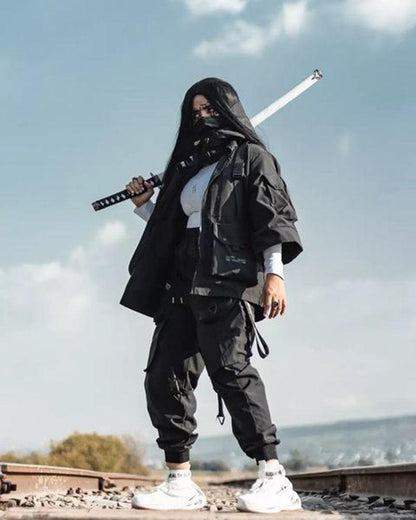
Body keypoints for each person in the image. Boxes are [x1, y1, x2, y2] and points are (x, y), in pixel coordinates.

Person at [120, 77, 303, 513]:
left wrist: (275, 275)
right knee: (164, 374)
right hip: (181, 283)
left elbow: (271, 219)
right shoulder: (189, 168)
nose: (203, 117)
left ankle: (274, 477)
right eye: (195, 111)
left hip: (228, 280)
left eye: (210, 109)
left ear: (228, 109)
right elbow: (176, 227)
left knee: (231, 372)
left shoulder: (252, 158)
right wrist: (145, 204)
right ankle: (179, 481)